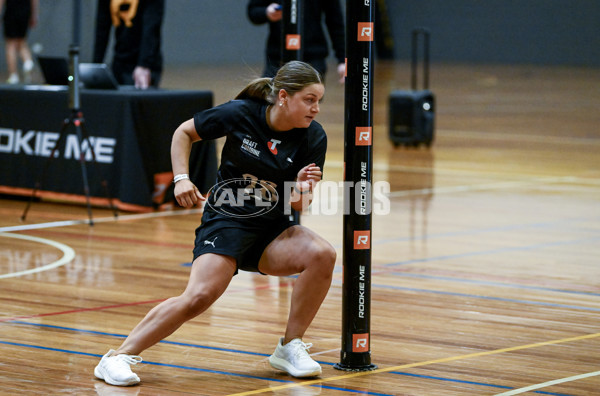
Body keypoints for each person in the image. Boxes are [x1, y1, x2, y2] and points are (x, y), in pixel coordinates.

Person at [94, 60, 337, 387]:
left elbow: (299, 204)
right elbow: (184, 132)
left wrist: (301, 186)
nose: (316, 109)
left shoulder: (313, 137)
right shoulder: (241, 113)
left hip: (272, 229)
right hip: (227, 220)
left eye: (318, 100)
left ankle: (289, 346)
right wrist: (182, 178)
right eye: (309, 99)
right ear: (283, 97)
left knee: (322, 254)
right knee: (200, 296)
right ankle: (117, 357)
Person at [247, 0, 346, 83]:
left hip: (312, 56)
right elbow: (253, 11)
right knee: (271, 101)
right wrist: (267, 12)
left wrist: (342, 59)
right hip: (278, 56)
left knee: (307, 102)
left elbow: (335, 21)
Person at [93, 0, 164, 89]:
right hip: (120, 61)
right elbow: (102, 29)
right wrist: (95, 67)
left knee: (139, 100)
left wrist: (144, 65)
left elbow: (151, 29)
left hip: (143, 63)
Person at [1, 0, 37, 84]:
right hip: (25, 12)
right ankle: (28, 62)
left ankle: (13, 75)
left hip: (11, 12)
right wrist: (34, 14)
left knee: (10, 44)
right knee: (22, 42)